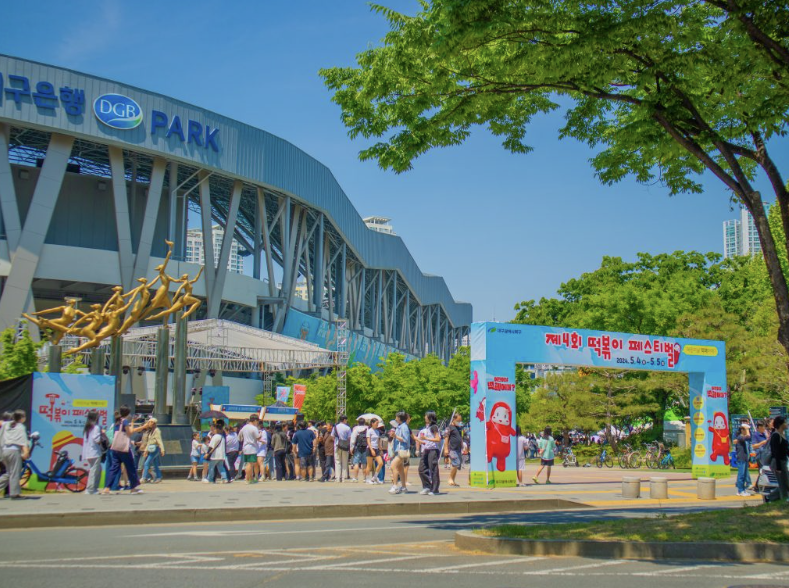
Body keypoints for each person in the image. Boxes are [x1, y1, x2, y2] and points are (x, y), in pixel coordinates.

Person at [102, 405, 149, 495]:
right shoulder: (124, 421)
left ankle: (107, 488)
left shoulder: (117, 421)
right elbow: (129, 433)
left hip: (115, 448)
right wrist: (142, 427)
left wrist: (132, 423)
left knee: (114, 468)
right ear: (127, 413)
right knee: (130, 467)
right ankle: (133, 488)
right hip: (124, 449)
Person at [0, 410, 29, 499]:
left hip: (4, 450)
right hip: (14, 450)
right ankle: (15, 494)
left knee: (9, 473)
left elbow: (1, 422)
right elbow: (23, 442)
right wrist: (26, 452)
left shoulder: (7, 424)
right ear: (21, 418)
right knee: (15, 473)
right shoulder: (20, 427)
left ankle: (13, 493)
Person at [417, 411, 441, 495]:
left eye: (426, 416)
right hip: (426, 449)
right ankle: (427, 486)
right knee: (421, 469)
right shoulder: (426, 427)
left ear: (430, 417)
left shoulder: (434, 427)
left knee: (433, 469)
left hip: (433, 450)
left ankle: (435, 489)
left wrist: (426, 438)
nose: (424, 417)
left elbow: (438, 439)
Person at [82, 410, 104, 495]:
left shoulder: (87, 427)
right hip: (94, 451)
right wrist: (102, 434)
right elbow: (97, 439)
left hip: (88, 452)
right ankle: (91, 489)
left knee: (95, 470)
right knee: (94, 471)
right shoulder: (96, 427)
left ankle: (93, 488)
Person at [390, 411, 410, 494]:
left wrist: (395, 436)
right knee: (400, 469)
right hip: (399, 450)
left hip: (402, 450)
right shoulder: (400, 426)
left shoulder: (404, 427)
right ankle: (403, 487)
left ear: (400, 418)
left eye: (397, 417)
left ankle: (395, 486)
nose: (395, 418)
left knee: (393, 466)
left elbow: (405, 439)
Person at [140, 417, 165, 484]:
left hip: (155, 449)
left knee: (146, 463)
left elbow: (159, 440)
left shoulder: (157, 430)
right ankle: (159, 477)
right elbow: (149, 442)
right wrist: (146, 451)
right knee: (155, 464)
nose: (149, 424)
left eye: (150, 422)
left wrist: (162, 449)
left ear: (154, 423)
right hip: (151, 448)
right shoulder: (151, 431)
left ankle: (144, 478)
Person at [770, 415, 789, 500]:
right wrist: (778, 467)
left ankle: (771, 497)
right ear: (780, 424)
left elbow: (785, 450)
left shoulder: (783, 435)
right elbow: (776, 452)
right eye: (785, 422)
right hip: (778, 462)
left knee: (785, 482)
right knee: (783, 483)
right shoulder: (776, 436)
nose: (787, 424)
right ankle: (780, 499)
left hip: (783, 461)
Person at [238, 414, 261, 484]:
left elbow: (239, 436)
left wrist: (242, 439)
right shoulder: (254, 428)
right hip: (252, 447)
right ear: (254, 420)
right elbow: (258, 438)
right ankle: (248, 479)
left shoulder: (244, 427)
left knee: (248, 463)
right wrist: (260, 434)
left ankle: (249, 478)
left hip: (245, 447)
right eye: (257, 421)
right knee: (250, 464)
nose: (257, 423)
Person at [446, 413, 464, 487]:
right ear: (454, 419)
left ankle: (453, 480)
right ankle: (450, 478)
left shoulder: (459, 428)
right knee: (456, 463)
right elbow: (446, 438)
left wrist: (462, 445)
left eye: (460, 420)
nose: (459, 422)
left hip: (458, 449)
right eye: (458, 420)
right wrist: (446, 449)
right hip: (452, 449)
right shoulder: (449, 428)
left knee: (457, 465)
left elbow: (460, 438)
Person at [735, 424, 753, 496]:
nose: (747, 431)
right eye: (745, 430)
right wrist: (747, 429)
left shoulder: (743, 437)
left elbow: (749, 437)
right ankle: (740, 490)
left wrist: (747, 429)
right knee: (741, 475)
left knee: (745, 475)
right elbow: (748, 436)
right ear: (742, 430)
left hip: (745, 458)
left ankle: (743, 489)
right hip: (741, 458)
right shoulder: (740, 437)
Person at [334, 415, 352, 482]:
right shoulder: (347, 428)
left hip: (337, 445)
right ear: (344, 420)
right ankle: (344, 478)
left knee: (337, 461)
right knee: (344, 462)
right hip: (345, 446)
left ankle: (337, 478)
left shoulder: (335, 427)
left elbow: (332, 436)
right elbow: (349, 438)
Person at [350, 417, 369, 483]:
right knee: (364, 463)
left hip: (357, 447)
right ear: (364, 422)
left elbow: (353, 440)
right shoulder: (367, 428)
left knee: (356, 463)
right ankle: (365, 478)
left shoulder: (355, 429)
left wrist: (351, 448)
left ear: (358, 422)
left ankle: (355, 478)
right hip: (365, 447)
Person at [366, 418, 383, 484]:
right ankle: (367, 479)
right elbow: (368, 441)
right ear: (372, 423)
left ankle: (375, 477)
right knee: (369, 465)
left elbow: (378, 441)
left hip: (376, 449)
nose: (377, 424)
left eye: (378, 423)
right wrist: (371, 449)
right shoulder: (369, 431)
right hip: (370, 448)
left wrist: (380, 449)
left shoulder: (377, 431)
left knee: (380, 463)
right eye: (376, 423)